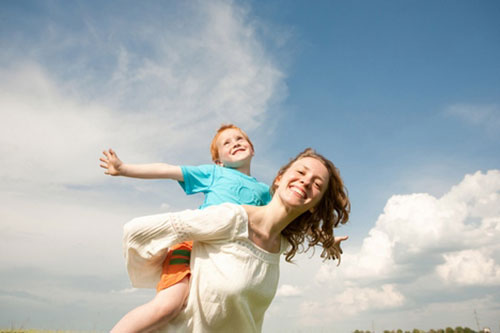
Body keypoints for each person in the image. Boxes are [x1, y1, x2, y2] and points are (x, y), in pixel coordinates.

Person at [123, 148, 350, 332]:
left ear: (315, 206)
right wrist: (178, 268)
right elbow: (137, 232)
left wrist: (329, 242)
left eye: (317, 183)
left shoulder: (281, 244)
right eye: (300, 172)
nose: (306, 181)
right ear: (280, 179)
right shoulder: (230, 218)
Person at [100, 124, 271, 332]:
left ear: (252, 149)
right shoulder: (215, 174)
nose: (235, 143)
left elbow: (279, 219)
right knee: (168, 307)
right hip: (191, 246)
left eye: (240, 139)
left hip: (224, 259)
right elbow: (168, 170)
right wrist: (124, 169)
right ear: (219, 161)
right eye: (226, 143)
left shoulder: (263, 192)